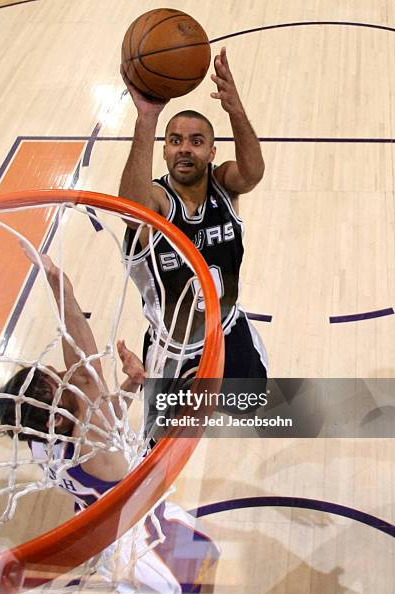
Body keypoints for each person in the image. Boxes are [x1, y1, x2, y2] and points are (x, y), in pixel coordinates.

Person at [0, 248, 219, 594]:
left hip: (102, 523)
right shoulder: (90, 441)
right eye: (63, 383)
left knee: (144, 579)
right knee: (201, 576)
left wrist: (132, 385)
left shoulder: (41, 437)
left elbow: (104, 421)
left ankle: (129, 583)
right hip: (143, 535)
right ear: (57, 419)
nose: (70, 377)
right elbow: (84, 369)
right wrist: (55, 279)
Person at [120, 47, 268, 383]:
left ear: (212, 151)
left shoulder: (223, 184)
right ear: (165, 150)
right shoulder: (158, 199)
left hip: (226, 330)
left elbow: (253, 173)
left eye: (196, 141)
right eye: (175, 140)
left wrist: (235, 110)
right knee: (167, 436)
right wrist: (147, 118)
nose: (184, 147)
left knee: (249, 408)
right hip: (172, 346)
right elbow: (132, 211)